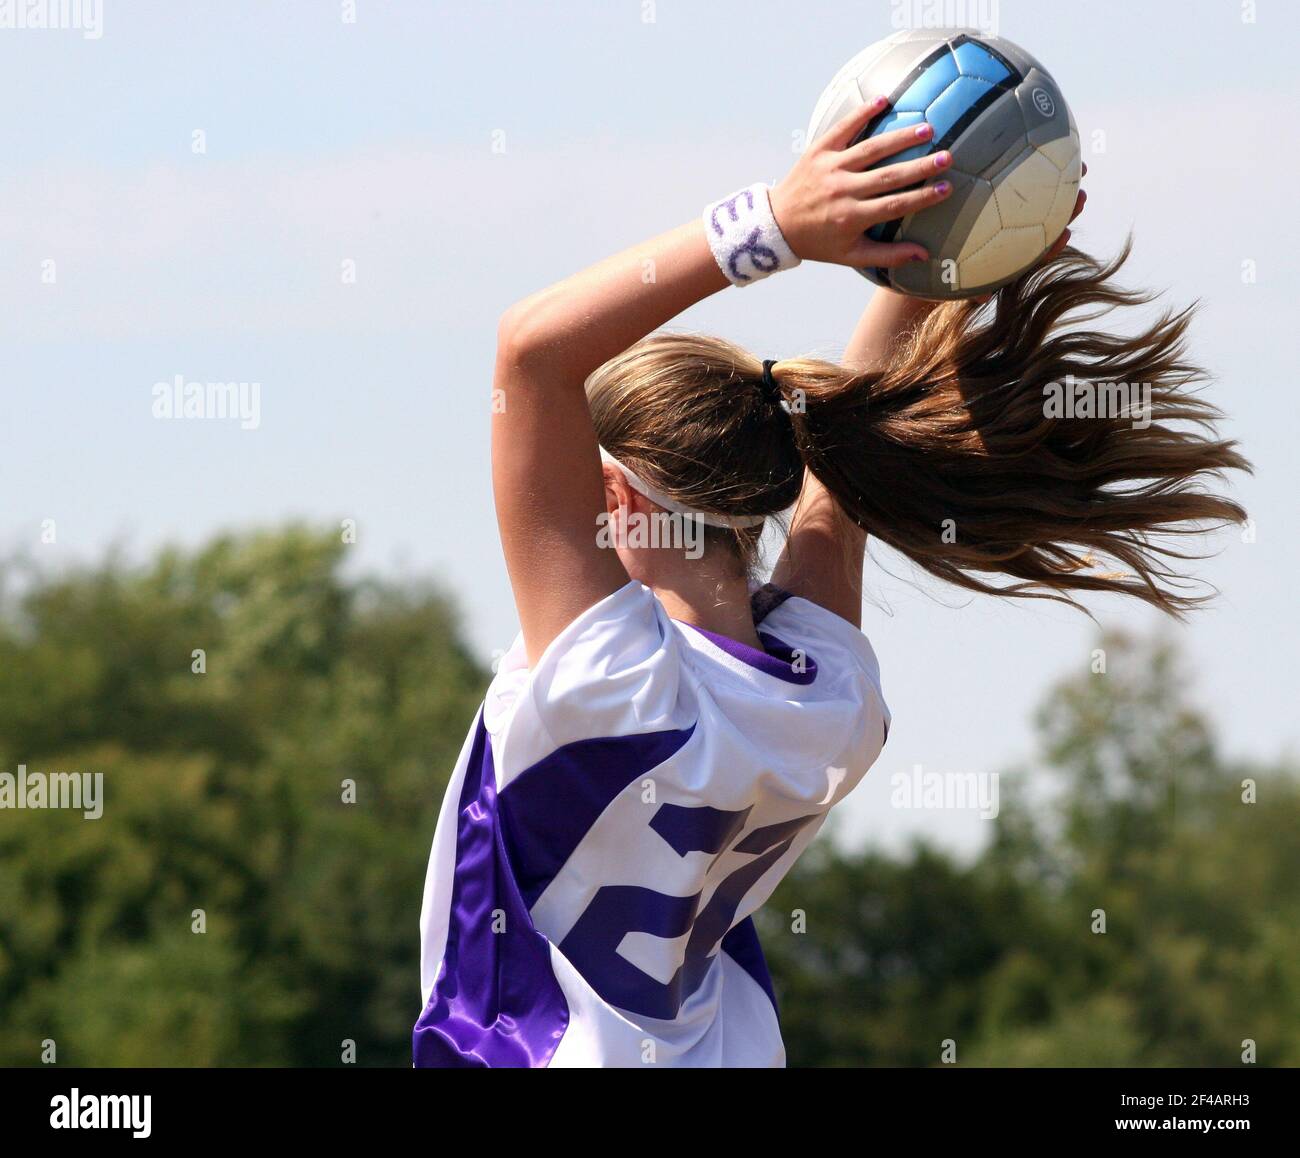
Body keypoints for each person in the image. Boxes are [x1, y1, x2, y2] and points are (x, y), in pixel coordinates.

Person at [413, 99, 1246, 1067]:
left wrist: (778, 225)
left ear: (617, 498)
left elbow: (530, 351)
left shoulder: (617, 683)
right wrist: (954, 244)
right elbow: (838, 456)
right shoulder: (818, 695)